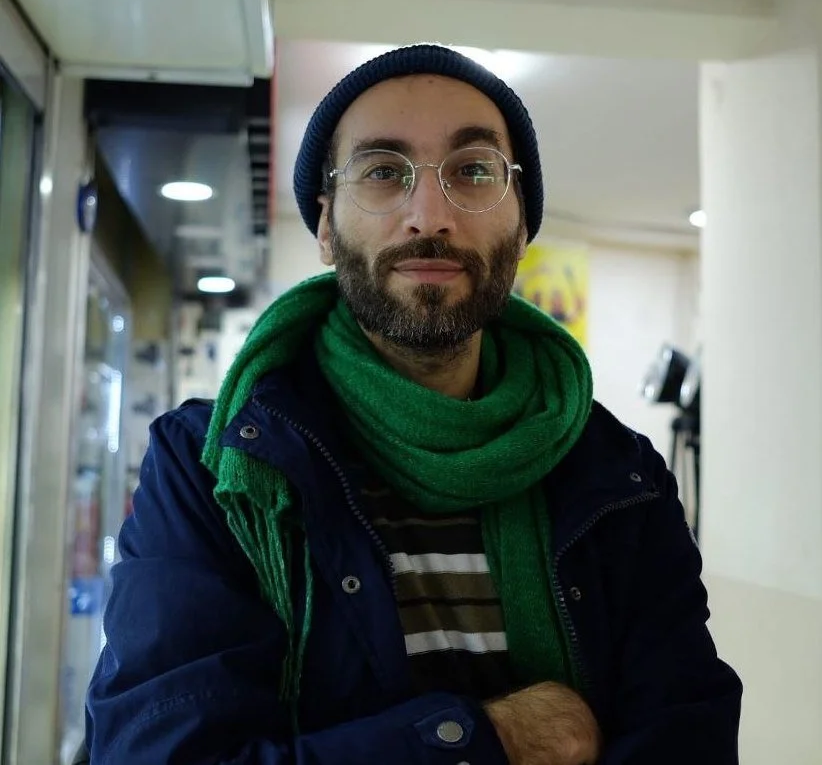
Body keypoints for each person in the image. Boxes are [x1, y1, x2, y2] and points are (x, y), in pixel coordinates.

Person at [84, 44, 742, 764]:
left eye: (473, 171)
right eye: (382, 172)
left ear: (522, 223)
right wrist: (495, 736)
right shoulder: (212, 467)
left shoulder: (620, 480)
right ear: (326, 227)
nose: (429, 215)